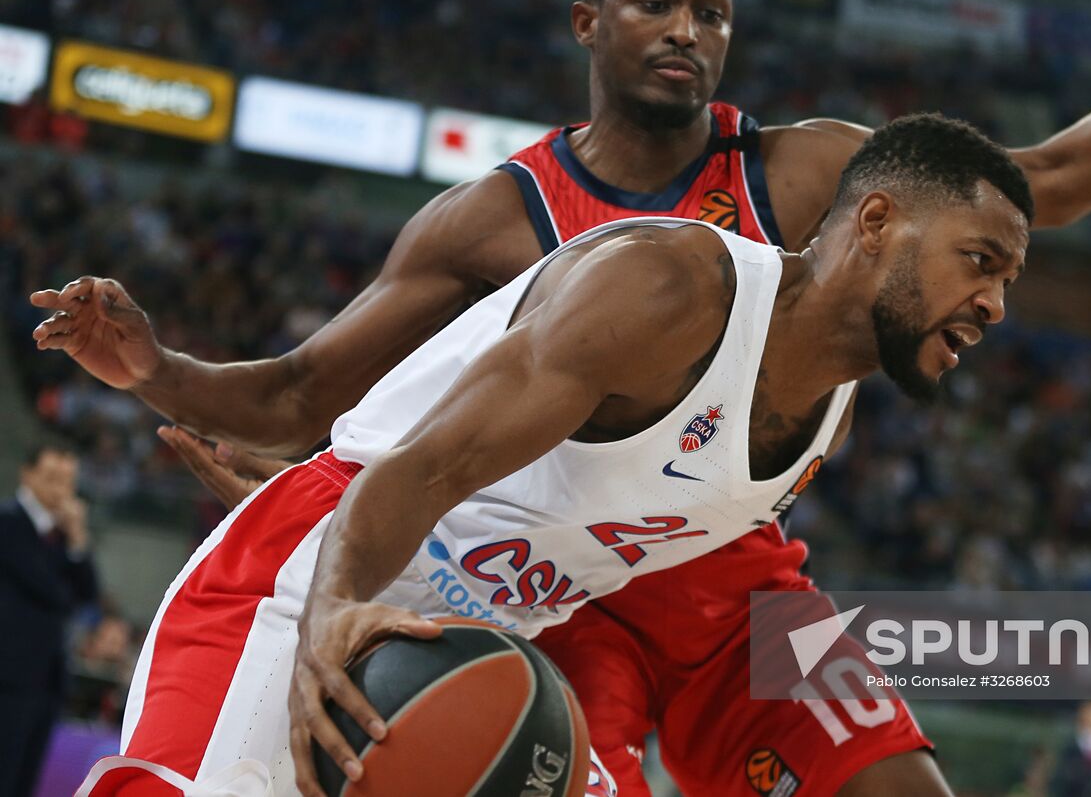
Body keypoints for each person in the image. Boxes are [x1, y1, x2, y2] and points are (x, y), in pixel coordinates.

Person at [31, 0, 1091, 794]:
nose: (688, 29)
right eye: (659, 2)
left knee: (898, 776)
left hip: (715, 563)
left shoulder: (813, 178)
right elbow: (321, 398)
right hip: (557, 581)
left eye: (713, 10)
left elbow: (1040, 183)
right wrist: (173, 380)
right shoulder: (513, 225)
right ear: (590, 23)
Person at [77, 112, 1029, 797]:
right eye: (979, 261)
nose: (994, 304)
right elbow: (414, 471)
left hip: (480, 656)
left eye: (1008, 280)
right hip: (320, 583)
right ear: (875, 224)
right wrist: (331, 611)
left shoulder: (829, 422)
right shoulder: (670, 289)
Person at [0, 441, 98, 797]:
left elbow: (88, 594)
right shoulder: (8, 523)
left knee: (24, 781)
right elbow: (53, 593)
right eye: (52, 477)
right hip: (7, 677)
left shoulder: (64, 536)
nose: (61, 489)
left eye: (68, 481)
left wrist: (79, 538)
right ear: (27, 474)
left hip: (47, 679)